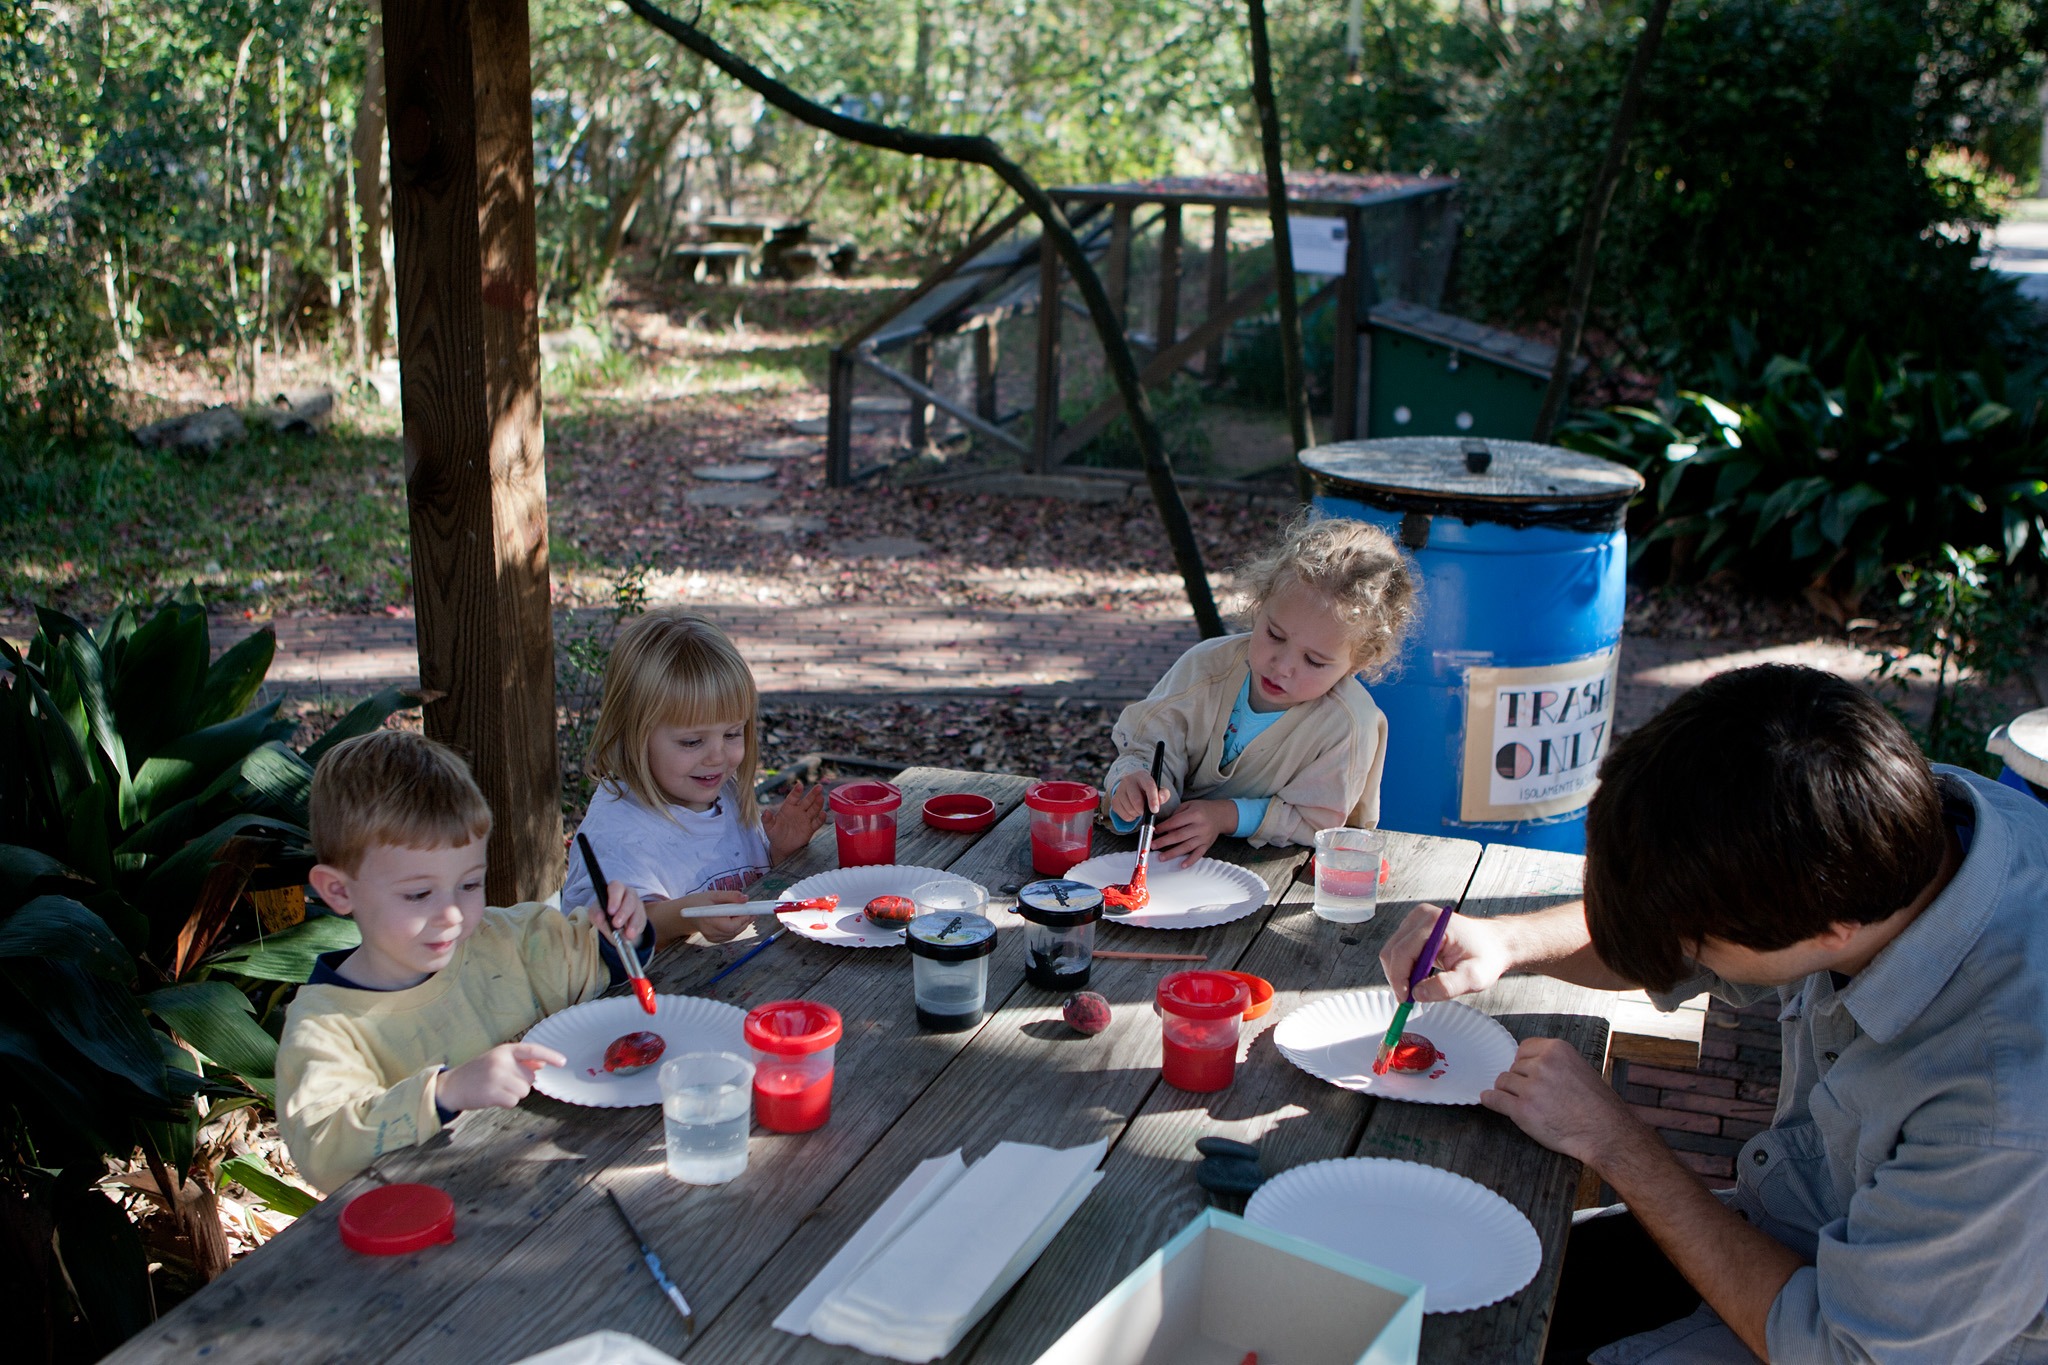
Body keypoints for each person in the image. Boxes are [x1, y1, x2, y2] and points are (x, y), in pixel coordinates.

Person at [1379, 664, 2048, 1364]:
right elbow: (1672, 917)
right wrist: (1509, 941)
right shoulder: (1870, 809)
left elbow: (1839, 1348)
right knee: (1452, 1279)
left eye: (1699, 943)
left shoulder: (2000, 1108)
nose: (1680, 954)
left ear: (1830, 929)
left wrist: (1618, 1143)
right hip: (1795, 1227)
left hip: (1862, 1337)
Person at [278, 730, 654, 1193]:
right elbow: (322, 1150)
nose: (452, 914)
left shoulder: (506, 941)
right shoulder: (327, 1027)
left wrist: (622, 931)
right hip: (427, 1236)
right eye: (418, 894)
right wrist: (444, 1092)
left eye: (470, 884)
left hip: (558, 1192)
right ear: (338, 890)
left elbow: (596, 965)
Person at [1101, 513, 1417, 865]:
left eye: (1314, 661)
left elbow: (1318, 820)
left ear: (1357, 663)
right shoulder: (1206, 667)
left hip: (1281, 877)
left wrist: (1225, 816)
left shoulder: (1348, 725)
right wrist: (1131, 784)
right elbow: (1145, 746)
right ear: (1259, 604)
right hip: (1163, 859)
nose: (1282, 667)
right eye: (1274, 635)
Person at [560, 607, 826, 944]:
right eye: (692, 741)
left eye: (732, 734)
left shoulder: (722, 794)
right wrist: (688, 917)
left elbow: (745, 880)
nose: (717, 756)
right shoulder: (616, 834)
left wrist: (778, 853)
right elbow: (612, 933)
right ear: (633, 736)